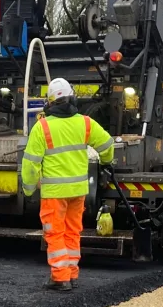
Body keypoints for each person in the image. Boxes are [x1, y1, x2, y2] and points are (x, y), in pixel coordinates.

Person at [19, 78, 115, 292]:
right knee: (72, 232)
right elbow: (108, 144)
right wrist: (106, 162)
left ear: (50, 102)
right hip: (78, 191)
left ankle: (60, 278)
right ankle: (71, 273)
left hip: (54, 193)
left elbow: (30, 165)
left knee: (54, 234)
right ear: (72, 98)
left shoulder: (42, 127)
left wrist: (28, 189)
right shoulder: (85, 123)